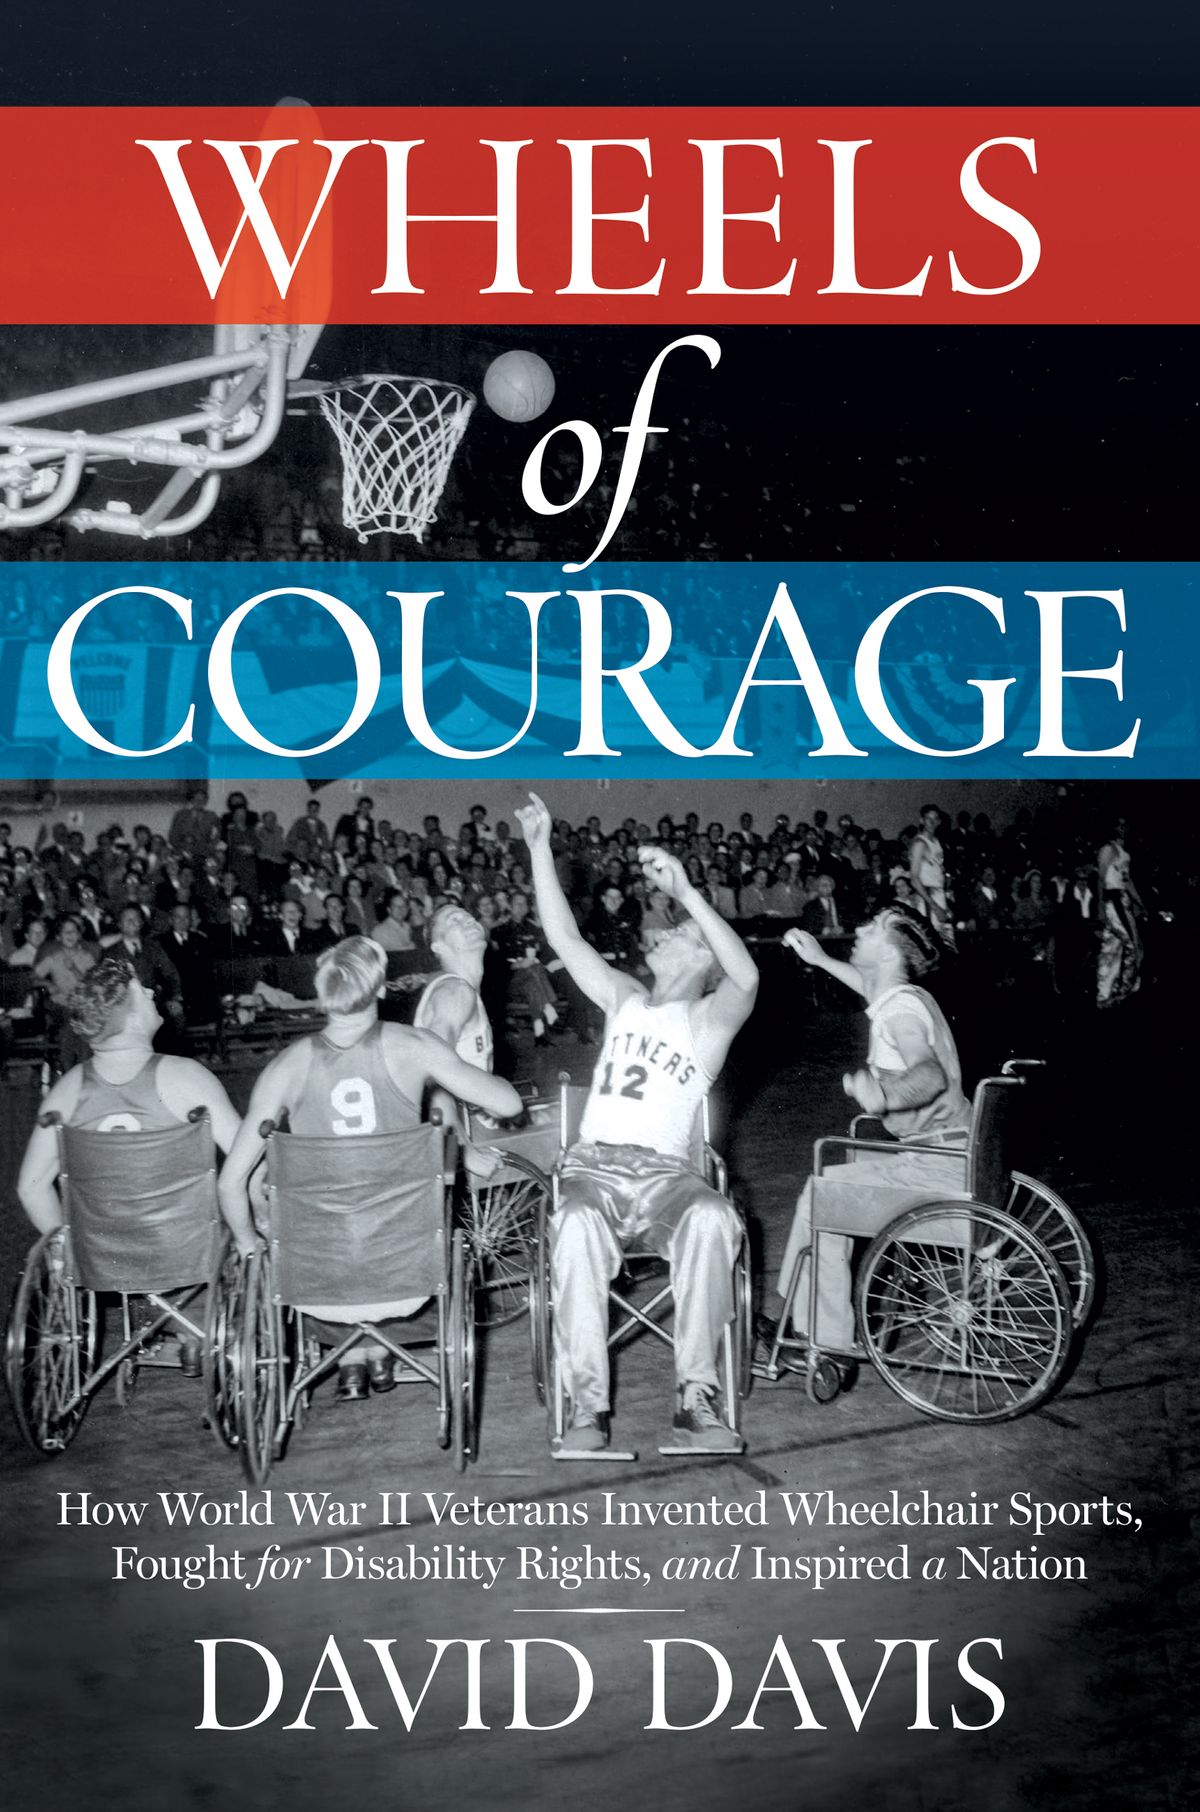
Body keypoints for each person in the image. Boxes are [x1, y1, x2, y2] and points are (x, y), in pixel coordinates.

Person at [516, 791, 758, 1455]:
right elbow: (564, 937)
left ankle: (696, 1400)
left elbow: (747, 973)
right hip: (594, 1167)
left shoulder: (709, 1020)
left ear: (702, 958)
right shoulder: (624, 996)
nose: (660, 933)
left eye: (676, 933)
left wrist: (690, 894)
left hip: (667, 1179)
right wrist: (540, 850)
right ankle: (587, 1409)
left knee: (713, 1216)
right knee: (572, 1223)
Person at [217, 937, 521, 1400]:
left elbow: (230, 1183)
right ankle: (374, 1352)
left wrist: (245, 1241)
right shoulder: (413, 1046)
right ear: (379, 990)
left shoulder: (286, 1065)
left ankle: (354, 1356)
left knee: (308, 1216)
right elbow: (508, 1102)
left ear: (323, 996)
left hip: (315, 1280)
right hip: (409, 1271)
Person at [16, 956, 241, 1375]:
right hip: (186, 1251)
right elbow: (246, 1162)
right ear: (131, 1016)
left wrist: (64, 1245)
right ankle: (194, 1326)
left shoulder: (66, 1091)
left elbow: (30, 1187)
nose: (153, 992)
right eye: (143, 990)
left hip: (103, 1257)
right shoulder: (187, 1077)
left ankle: (167, 1324)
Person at [770, 906, 969, 1354]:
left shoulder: (900, 1012)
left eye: (872, 928)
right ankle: (805, 1314)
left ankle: (824, 1336)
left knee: (821, 1193)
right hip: (951, 1152)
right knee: (839, 1175)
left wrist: (882, 1094)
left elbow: (929, 1075)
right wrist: (820, 959)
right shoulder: (903, 996)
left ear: (891, 955)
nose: (858, 929)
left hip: (937, 1166)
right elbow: (869, 986)